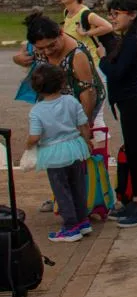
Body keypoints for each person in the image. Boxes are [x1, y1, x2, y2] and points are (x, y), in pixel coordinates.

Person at [13, 11, 105, 212]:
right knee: (56, 152)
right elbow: (21, 54)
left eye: (52, 46)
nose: (47, 52)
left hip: (79, 103)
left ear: (61, 34)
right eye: (41, 48)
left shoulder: (77, 55)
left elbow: (87, 94)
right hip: (56, 102)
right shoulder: (39, 46)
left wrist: (85, 128)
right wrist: (19, 59)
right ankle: (61, 196)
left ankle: (76, 200)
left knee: (71, 151)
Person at [98, 0, 137, 229]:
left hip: (134, 101)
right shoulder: (135, 37)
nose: (112, 18)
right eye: (110, 14)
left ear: (132, 15)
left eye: (116, 14)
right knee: (135, 153)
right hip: (134, 100)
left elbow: (116, 73)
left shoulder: (135, 41)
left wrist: (103, 61)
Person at [26, 64, 93, 242]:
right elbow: (83, 125)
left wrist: (28, 146)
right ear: (62, 82)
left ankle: (70, 227)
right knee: (78, 186)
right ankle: (83, 221)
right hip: (75, 148)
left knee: (61, 190)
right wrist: (87, 142)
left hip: (54, 153)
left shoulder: (37, 111)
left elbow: (34, 137)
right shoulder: (71, 101)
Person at [58, 0, 114, 145]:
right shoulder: (67, 12)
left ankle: (105, 155)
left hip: (94, 69)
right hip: (77, 70)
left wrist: (87, 33)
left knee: (95, 115)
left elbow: (108, 26)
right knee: (80, 113)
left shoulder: (85, 14)